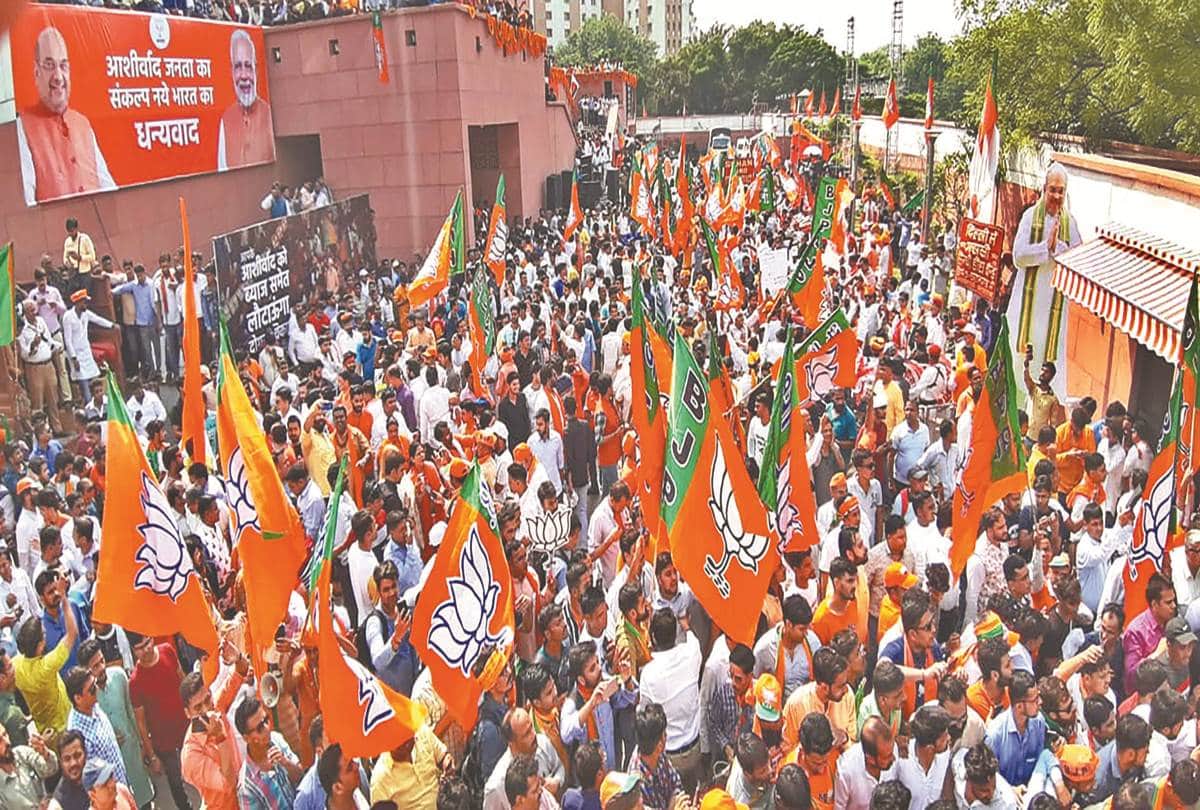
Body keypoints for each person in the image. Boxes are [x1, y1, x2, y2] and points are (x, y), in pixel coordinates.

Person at [17, 27, 117, 205]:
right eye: (49, 65)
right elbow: (27, 201)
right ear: (36, 72)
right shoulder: (22, 127)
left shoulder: (82, 124)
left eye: (63, 66)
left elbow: (107, 187)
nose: (58, 76)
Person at [1008, 163, 1082, 400]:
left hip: (1054, 310)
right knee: (1020, 359)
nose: (1056, 196)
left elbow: (1077, 259)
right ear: (1044, 189)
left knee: (1048, 361)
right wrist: (1044, 249)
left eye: (1061, 191)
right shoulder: (1030, 217)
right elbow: (1018, 256)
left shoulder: (1070, 223)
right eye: (1053, 190)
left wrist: (1059, 249)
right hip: (1026, 305)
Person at [218, 29, 275, 170]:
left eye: (248, 66)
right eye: (238, 67)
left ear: (256, 70)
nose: (243, 75)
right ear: (232, 72)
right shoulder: (226, 120)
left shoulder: (269, 114)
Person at [235, 696, 303, 810]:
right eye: (260, 728)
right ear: (247, 738)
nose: (267, 728)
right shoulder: (246, 788)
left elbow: (300, 776)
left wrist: (285, 763)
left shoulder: (276, 739)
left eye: (266, 720)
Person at [0, 721, 59, 809]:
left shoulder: (22, 753)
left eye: (5, 734)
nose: (7, 742)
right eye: (0, 741)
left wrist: (44, 752)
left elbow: (51, 769)